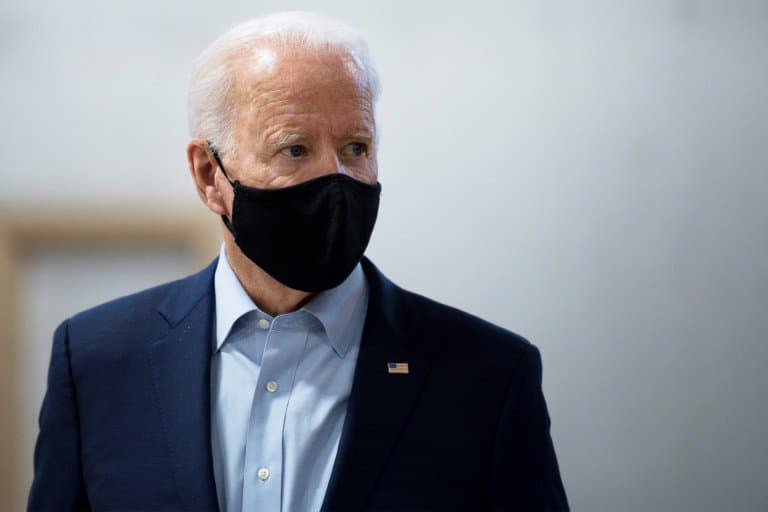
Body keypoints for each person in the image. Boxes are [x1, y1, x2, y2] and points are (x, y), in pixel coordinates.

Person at [28, 11, 569, 512]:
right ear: (208, 176)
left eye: (356, 147)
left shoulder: (488, 378)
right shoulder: (98, 363)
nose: (334, 179)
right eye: (294, 149)